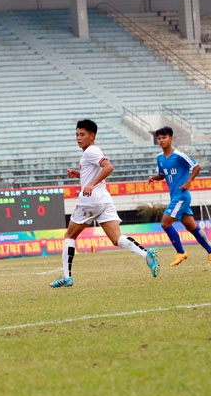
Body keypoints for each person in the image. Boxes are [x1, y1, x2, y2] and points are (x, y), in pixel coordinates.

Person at [50, 119, 160, 288]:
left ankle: (67, 277)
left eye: (82, 134)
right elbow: (94, 173)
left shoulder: (91, 151)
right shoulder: (90, 152)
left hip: (90, 201)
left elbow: (108, 167)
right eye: (77, 134)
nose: (78, 138)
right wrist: (78, 175)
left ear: (92, 136)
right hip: (104, 199)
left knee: (69, 236)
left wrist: (91, 184)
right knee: (116, 238)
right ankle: (146, 254)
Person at [147, 126, 211, 267]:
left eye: (164, 137)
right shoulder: (160, 158)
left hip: (181, 196)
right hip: (175, 196)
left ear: (171, 138)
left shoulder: (179, 155)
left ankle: (180, 252)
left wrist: (188, 182)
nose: (161, 140)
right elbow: (163, 174)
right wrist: (154, 178)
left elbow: (197, 166)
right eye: (159, 138)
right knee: (191, 227)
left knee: (165, 223)